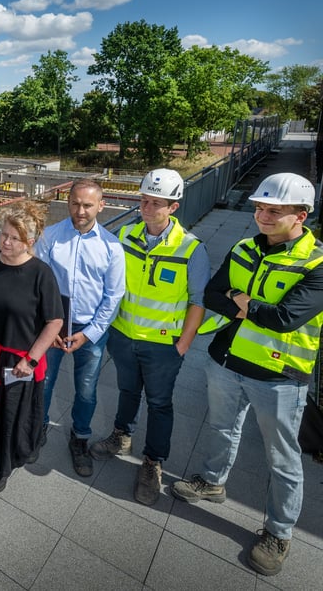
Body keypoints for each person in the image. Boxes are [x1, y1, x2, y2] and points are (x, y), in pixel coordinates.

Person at [171, 172, 323, 577]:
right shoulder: (243, 247)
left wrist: (239, 300)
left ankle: (279, 531)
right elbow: (210, 295)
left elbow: (285, 319)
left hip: (279, 375)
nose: (263, 216)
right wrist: (249, 303)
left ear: (301, 216)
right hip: (227, 361)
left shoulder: (317, 263)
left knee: (283, 458)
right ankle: (213, 482)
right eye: (259, 208)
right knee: (222, 428)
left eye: (275, 210)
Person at [90, 169, 209, 506]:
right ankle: (121, 436)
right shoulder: (125, 234)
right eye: (143, 200)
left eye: (155, 203)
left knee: (159, 403)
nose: (146, 207)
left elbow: (197, 302)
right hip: (124, 337)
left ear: (173, 207)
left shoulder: (190, 249)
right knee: (128, 391)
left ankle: (153, 462)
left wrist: (182, 346)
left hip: (163, 346)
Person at [0, 201, 63, 494]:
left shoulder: (41, 274)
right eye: (3, 235)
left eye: (14, 238)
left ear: (29, 242)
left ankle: (2, 469)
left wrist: (31, 361)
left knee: (10, 417)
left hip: (18, 361)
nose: (5, 242)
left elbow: (54, 322)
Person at [34, 179, 125, 476]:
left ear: (101, 205)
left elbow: (114, 296)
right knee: (44, 382)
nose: (80, 210)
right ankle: (38, 429)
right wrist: (52, 328)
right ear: (68, 201)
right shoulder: (50, 236)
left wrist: (89, 334)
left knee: (86, 389)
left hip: (90, 329)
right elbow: (40, 284)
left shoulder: (112, 247)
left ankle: (80, 438)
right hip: (54, 325)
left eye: (87, 205)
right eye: (75, 203)